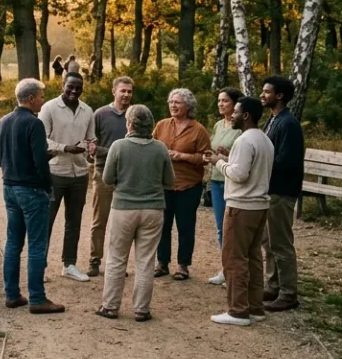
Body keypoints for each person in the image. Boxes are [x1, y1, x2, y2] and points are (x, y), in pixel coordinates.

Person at [95, 104, 174, 322]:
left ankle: (110, 306)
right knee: (146, 261)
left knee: (117, 258)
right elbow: (169, 181)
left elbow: (107, 179)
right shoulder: (160, 148)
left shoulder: (119, 146)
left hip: (123, 208)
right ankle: (141, 309)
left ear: (129, 124)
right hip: (153, 209)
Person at [0, 78, 64, 313]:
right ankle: (37, 298)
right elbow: (39, 161)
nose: (43, 100)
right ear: (32, 98)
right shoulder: (34, 124)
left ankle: (12, 294)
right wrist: (47, 185)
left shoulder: (3, 121)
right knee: (37, 244)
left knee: (13, 241)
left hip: (9, 187)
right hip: (32, 190)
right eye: (42, 96)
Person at [207, 96, 275, 326]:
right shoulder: (264, 139)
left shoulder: (245, 140)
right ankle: (255, 308)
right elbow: (249, 168)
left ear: (246, 115)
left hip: (241, 206)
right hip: (259, 206)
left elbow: (239, 175)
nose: (232, 115)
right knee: (254, 257)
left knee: (234, 258)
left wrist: (217, 161)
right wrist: (228, 158)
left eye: (236, 112)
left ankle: (237, 311)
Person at [39, 72, 96, 282]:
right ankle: (40, 265)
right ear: (63, 85)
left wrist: (91, 148)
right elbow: (41, 139)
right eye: (70, 87)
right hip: (55, 171)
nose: (73, 91)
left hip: (80, 173)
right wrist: (65, 148)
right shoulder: (49, 108)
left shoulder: (87, 110)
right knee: (46, 221)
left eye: (78, 88)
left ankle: (69, 264)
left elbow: (91, 138)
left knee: (74, 221)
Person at [151, 88, 211, 279]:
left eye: (177, 102)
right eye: (171, 102)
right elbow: (150, 146)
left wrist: (182, 156)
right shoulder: (161, 125)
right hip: (164, 185)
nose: (173, 106)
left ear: (188, 106)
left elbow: (205, 157)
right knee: (163, 225)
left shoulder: (198, 129)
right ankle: (162, 263)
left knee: (185, 226)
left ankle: (183, 265)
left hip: (189, 186)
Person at [261, 76, 304, 312]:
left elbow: (286, 160)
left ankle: (289, 293)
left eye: (267, 92)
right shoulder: (273, 120)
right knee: (269, 242)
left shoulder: (288, 124)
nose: (262, 95)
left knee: (281, 243)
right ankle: (274, 285)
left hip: (282, 191)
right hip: (271, 190)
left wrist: (259, 164)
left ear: (279, 96)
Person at [88, 76, 134, 278]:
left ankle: (118, 264)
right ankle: (94, 260)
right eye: (122, 90)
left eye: (129, 91)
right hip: (102, 174)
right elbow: (91, 146)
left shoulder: (135, 114)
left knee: (123, 223)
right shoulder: (100, 114)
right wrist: (111, 152)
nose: (126, 95)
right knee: (100, 220)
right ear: (113, 91)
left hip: (128, 177)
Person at [206, 88, 244, 285]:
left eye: (225, 101)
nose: (221, 104)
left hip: (233, 182)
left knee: (233, 229)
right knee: (221, 228)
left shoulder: (240, 129)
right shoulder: (218, 125)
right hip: (216, 181)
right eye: (219, 100)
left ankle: (235, 271)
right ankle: (225, 269)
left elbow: (241, 160)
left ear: (235, 104)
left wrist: (226, 155)